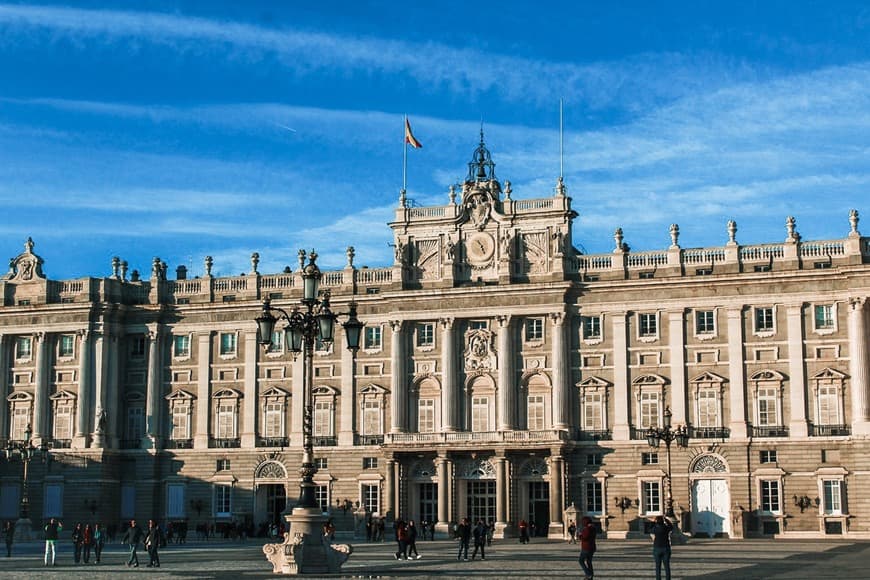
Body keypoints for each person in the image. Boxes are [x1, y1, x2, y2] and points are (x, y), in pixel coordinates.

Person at [651, 515, 674, 580]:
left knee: (658, 567)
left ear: (656, 521)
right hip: (666, 548)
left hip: (657, 548)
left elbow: (649, 529)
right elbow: (671, 526)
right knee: (667, 566)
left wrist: (653, 522)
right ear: (663, 521)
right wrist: (666, 519)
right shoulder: (666, 528)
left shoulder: (655, 528)